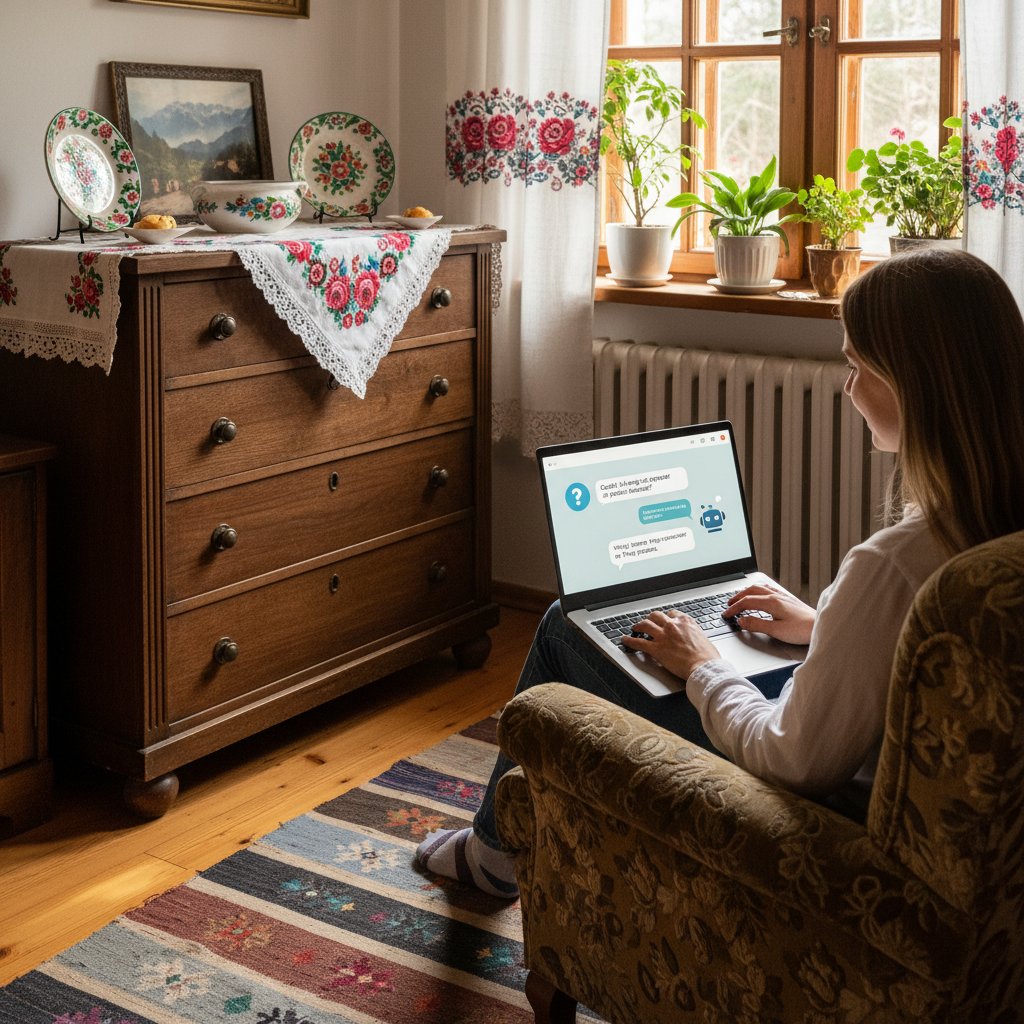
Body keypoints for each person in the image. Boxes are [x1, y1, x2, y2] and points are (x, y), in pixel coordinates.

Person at [416, 248, 1024, 897]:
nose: (849, 388)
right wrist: (824, 628)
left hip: (834, 821)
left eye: (856, 366)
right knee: (728, 642)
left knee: (567, 625)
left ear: (912, 382)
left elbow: (792, 763)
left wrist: (704, 664)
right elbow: (932, 659)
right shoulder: (990, 529)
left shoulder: (890, 567)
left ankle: (493, 857)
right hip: (939, 826)